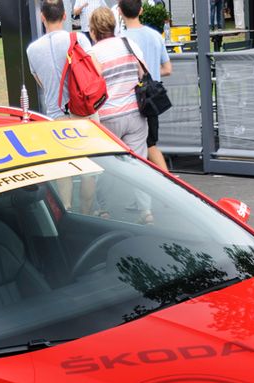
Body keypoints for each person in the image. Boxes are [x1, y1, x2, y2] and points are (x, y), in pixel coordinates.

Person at [87, 6, 151, 221]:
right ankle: (146, 211)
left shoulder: (93, 54)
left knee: (104, 165)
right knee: (139, 163)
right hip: (135, 112)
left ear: (93, 30)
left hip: (107, 116)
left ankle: (103, 209)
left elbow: (92, 86)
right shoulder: (129, 43)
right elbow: (143, 73)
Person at [117, 0, 170, 169]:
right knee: (150, 144)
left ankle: (166, 183)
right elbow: (167, 69)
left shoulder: (120, 39)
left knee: (137, 149)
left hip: (131, 100)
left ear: (119, 12)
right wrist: (152, 71)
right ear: (141, 10)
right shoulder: (155, 35)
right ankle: (168, 182)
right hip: (150, 98)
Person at [28, 0, 87, 120]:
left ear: (42, 17)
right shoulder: (78, 39)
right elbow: (95, 69)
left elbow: (42, 83)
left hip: (56, 115)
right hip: (84, 110)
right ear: (64, 15)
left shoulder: (32, 50)